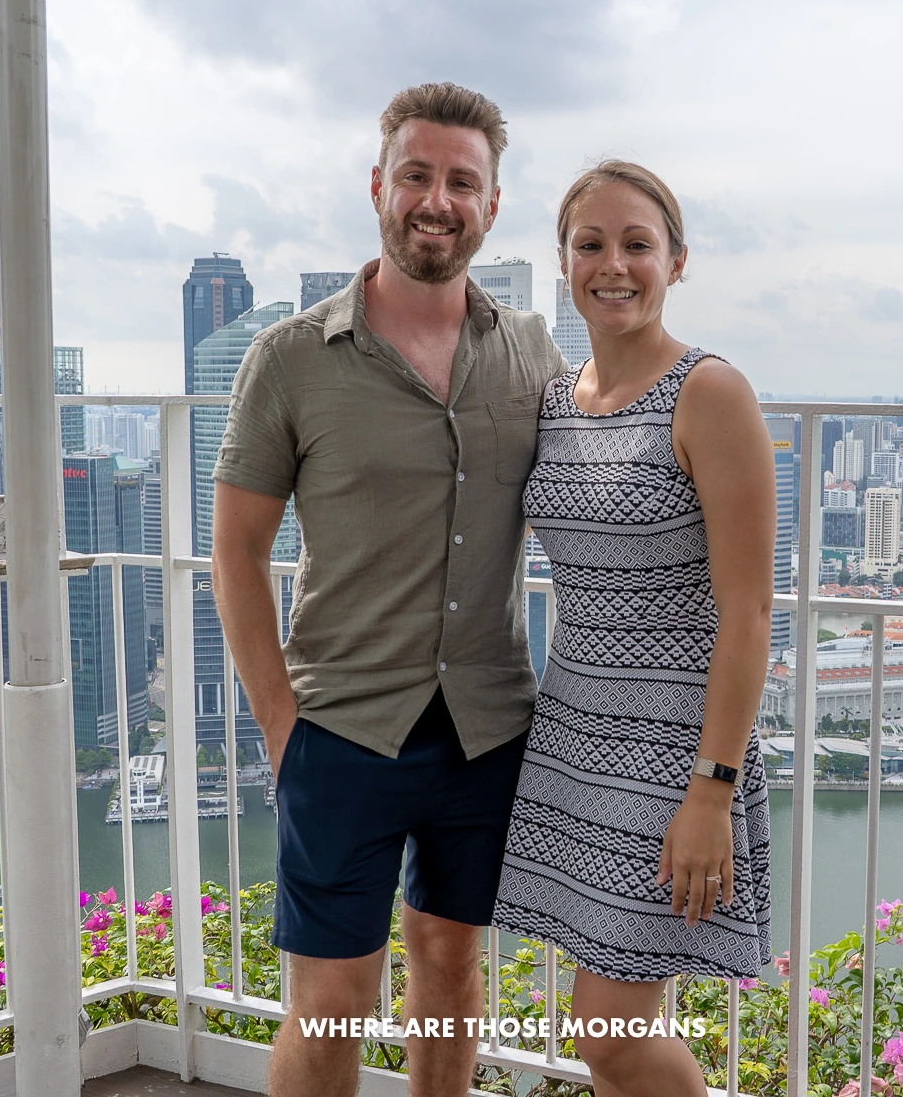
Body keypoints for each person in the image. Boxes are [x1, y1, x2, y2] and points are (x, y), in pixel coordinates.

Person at [211, 82, 565, 1097]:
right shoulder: (289, 359)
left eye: (463, 182)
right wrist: (281, 723)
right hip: (343, 730)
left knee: (452, 973)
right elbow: (235, 550)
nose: (437, 200)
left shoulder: (530, 353)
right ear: (379, 186)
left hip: (486, 728)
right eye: (417, 175)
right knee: (330, 1002)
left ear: (491, 207)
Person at [491, 160, 776, 1097]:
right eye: (591, 244)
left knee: (609, 1034)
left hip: (673, 760)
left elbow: (749, 613)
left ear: (677, 262)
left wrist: (712, 791)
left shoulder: (710, 392)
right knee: (606, 1031)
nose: (614, 265)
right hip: (576, 743)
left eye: (638, 244)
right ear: (564, 262)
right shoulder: (555, 399)